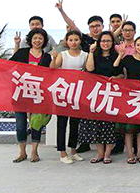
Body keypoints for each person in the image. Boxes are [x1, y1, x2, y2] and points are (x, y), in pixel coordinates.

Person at [113, 36, 140, 164]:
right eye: (138, 44)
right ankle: (130, 155)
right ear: (134, 46)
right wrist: (120, 55)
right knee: (128, 129)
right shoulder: (128, 58)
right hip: (129, 97)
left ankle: (139, 154)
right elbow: (116, 68)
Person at [10, 28, 52, 163]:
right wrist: (16, 45)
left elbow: (51, 74)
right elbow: (10, 64)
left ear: (44, 41)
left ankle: (34, 151)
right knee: (20, 125)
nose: (37, 41)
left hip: (37, 94)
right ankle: (22, 152)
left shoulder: (47, 57)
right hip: (20, 93)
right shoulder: (22, 52)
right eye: (35, 38)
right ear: (30, 40)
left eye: (40, 38)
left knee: (36, 123)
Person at [79, 31, 122, 164]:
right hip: (96, 94)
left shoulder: (116, 56)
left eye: (108, 41)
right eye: (103, 41)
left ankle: (107, 153)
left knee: (110, 125)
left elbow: (121, 73)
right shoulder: (94, 55)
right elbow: (90, 69)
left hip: (111, 95)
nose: (105, 43)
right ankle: (100, 153)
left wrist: (117, 77)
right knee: (95, 124)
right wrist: (91, 52)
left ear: (112, 43)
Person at [50, 30, 88, 164]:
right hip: (63, 92)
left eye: (76, 40)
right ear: (67, 41)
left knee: (75, 123)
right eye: (71, 40)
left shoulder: (85, 55)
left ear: (80, 41)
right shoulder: (63, 54)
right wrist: (54, 58)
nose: (73, 42)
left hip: (77, 93)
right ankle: (62, 152)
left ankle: (73, 150)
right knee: (62, 123)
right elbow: (53, 68)